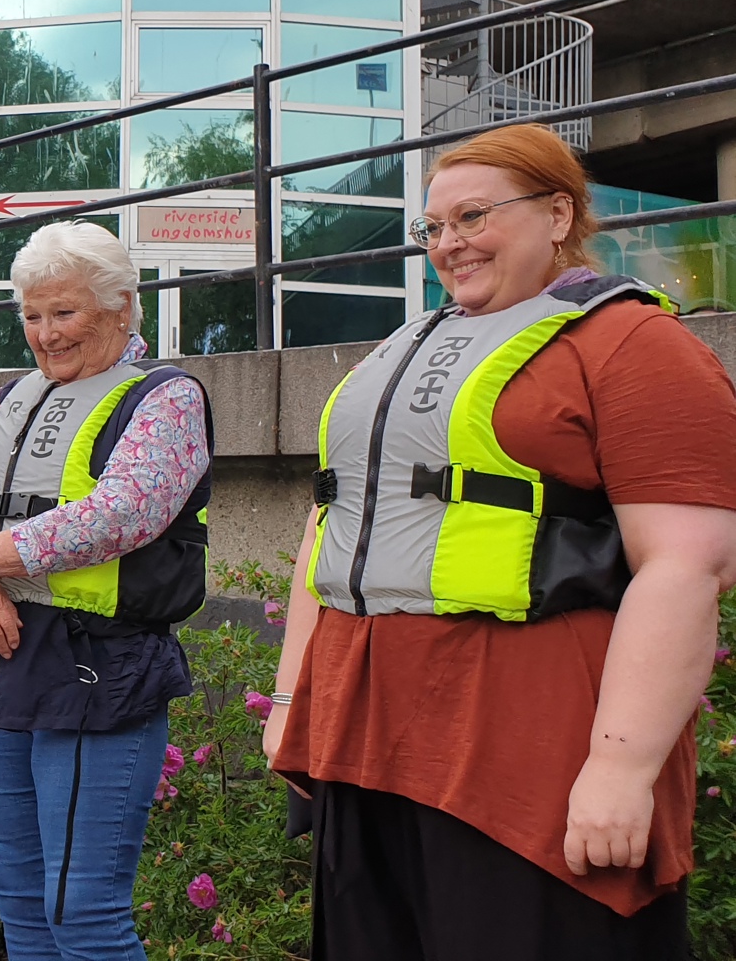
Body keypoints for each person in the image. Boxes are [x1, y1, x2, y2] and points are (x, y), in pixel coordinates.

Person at [266, 123, 736, 959]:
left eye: (474, 216)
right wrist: (296, 702)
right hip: (363, 743)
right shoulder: (403, 350)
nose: (450, 244)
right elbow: (331, 522)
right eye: (434, 228)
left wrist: (622, 770)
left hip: (527, 757)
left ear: (559, 215)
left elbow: (691, 564)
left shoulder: (635, 346)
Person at [0, 221, 212, 960]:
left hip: (99, 673)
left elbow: (124, 511)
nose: (46, 333)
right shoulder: (12, 395)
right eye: (32, 315)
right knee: (20, 907)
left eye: (64, 313)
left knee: (84, 914)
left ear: (120, 308)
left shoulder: (166, 397)